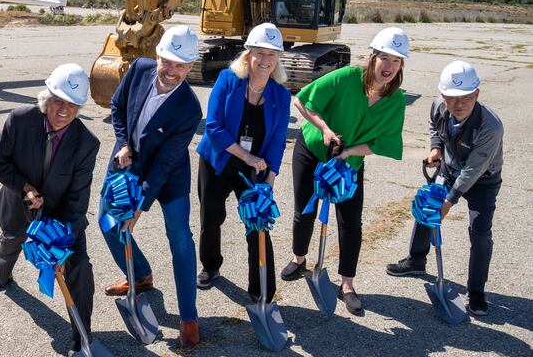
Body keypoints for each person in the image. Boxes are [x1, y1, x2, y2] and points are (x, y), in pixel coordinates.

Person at [280, 27, 409, 315]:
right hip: (313, 150)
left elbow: (381, 143)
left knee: (350, 221)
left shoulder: (396, 101)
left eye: (396, 61)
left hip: (348, 163)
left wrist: (349, 152)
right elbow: (302, 100)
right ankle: (299, 259)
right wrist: (325, 130)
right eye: (384, 58)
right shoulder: (347, 77)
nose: (389, 67)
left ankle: (347, 284)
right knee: (305, 210)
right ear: (372, 57)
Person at [0, 63, 100, 354]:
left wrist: (62, 246)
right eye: (58, 100)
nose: (64, 109)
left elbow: (78, 199)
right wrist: (25, 187)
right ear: (47, 99)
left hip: (60, 216)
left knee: (79, 266)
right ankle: (3, 275)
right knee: (11, 241)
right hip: (19, 205)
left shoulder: (87, 143)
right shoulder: (19, 120)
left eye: (72, 104)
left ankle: (82, 335)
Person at [100, 25, 203, 350]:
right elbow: (117, 107)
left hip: (167, 175)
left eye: (181, 66)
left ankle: (188, 316)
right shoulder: (139, 69)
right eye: (168, 62)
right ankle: (141, 275)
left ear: (190, 67)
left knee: (180, 238)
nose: (173, 71)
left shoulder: (189, 108)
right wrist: (123, 143)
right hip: (127, 160)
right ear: (157, 55)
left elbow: (165, 164)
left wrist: (139, 208)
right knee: (109, 222)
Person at [387, 61, 503, 316]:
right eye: (452, 98)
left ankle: (476, 292)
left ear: (477, 95)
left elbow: (473, 171)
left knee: (480, 233)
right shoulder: (439, 107)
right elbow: (435, 127)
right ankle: (417, 260)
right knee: (427, 209)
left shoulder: (490, 127)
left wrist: (449, 202)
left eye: (466, 98)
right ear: (442, 95)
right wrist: (436, 148)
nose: (458, 104)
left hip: (483, 180)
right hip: (449, 170)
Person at [195, 23, 291, 303]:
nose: (265, 60)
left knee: (257, 224)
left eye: (271, 54)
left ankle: (262, 291)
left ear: (277, 60)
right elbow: (212, 126)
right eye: (259, 53)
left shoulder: (280, 96)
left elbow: (277, 140)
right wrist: (247, 156)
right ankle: (211, 266)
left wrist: (269, 182)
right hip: (218, 160)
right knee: (211, 218)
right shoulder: (228, 80)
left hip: (254, 169)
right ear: (248, 54)